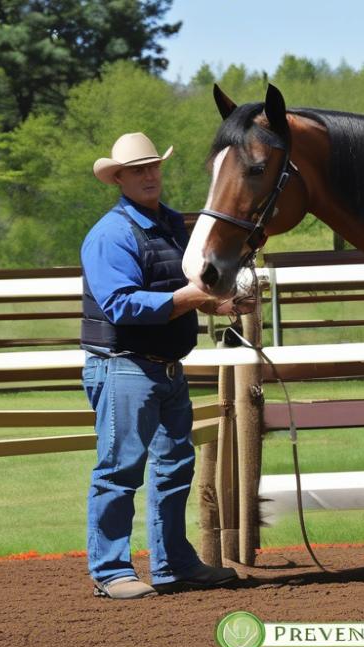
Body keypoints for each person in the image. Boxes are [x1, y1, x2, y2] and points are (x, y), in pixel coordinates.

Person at [80, 132, 245, 599]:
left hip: (164, 367)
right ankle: (111, 572)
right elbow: (121, 305)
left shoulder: (173, 225)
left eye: (153, 167)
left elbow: (178, 290)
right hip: (124, 366)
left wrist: (220, 306)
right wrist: (194, 297)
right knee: (120, 469)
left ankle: (172, 564)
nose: (149, 175)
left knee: (174, 468)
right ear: (119, 178)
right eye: (138, 170)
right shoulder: (111, 234)